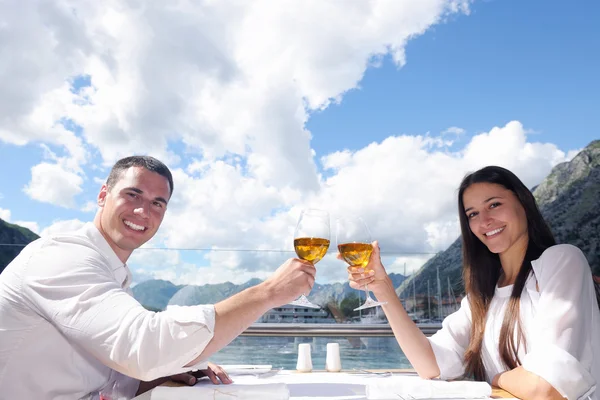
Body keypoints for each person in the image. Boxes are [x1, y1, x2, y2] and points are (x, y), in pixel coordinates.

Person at [0, 156, 316, 399]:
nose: (143, 212)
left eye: (156, 203)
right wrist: (269, 293)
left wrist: (168, 369)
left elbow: (115, 370)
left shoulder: (112, 276)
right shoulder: (60, 257)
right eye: (133, 195)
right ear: (102, 195)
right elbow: (143, 346)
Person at [348, 165, 600, 400]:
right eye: (473, 214)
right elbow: (429, 365)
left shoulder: (561, 260)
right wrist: (383, 288)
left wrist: (496, 378)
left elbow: (545, 387)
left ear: (523, 202)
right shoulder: (481, 296)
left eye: (494, 204)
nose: (484, 221)